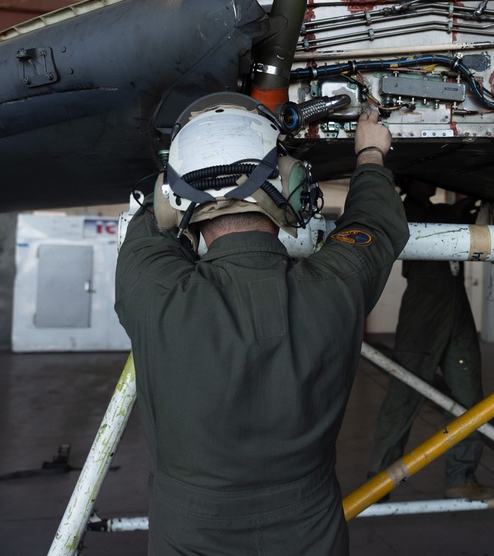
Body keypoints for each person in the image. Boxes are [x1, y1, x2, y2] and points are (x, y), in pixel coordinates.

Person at [115, 92, 408, 556]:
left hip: (188, 535)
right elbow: (377, 222)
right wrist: (370, 154)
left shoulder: (152, 292)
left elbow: (151, 221)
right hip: (311, 530)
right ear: (290, 188)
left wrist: (174, 187)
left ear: (176, 200)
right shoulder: (336, 286)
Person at [366, 178, 494, 501]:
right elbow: (438, 223)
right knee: (404, 394)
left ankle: (460, 476)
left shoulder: (434, 209)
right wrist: (459, 210)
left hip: (455, 302)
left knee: (468, 395)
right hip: (424, 305)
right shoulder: (405, 209)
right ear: (407, 180)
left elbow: (448, 218)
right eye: (423, 177)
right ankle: (378, 481)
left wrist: (466, 207)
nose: (432, 182)